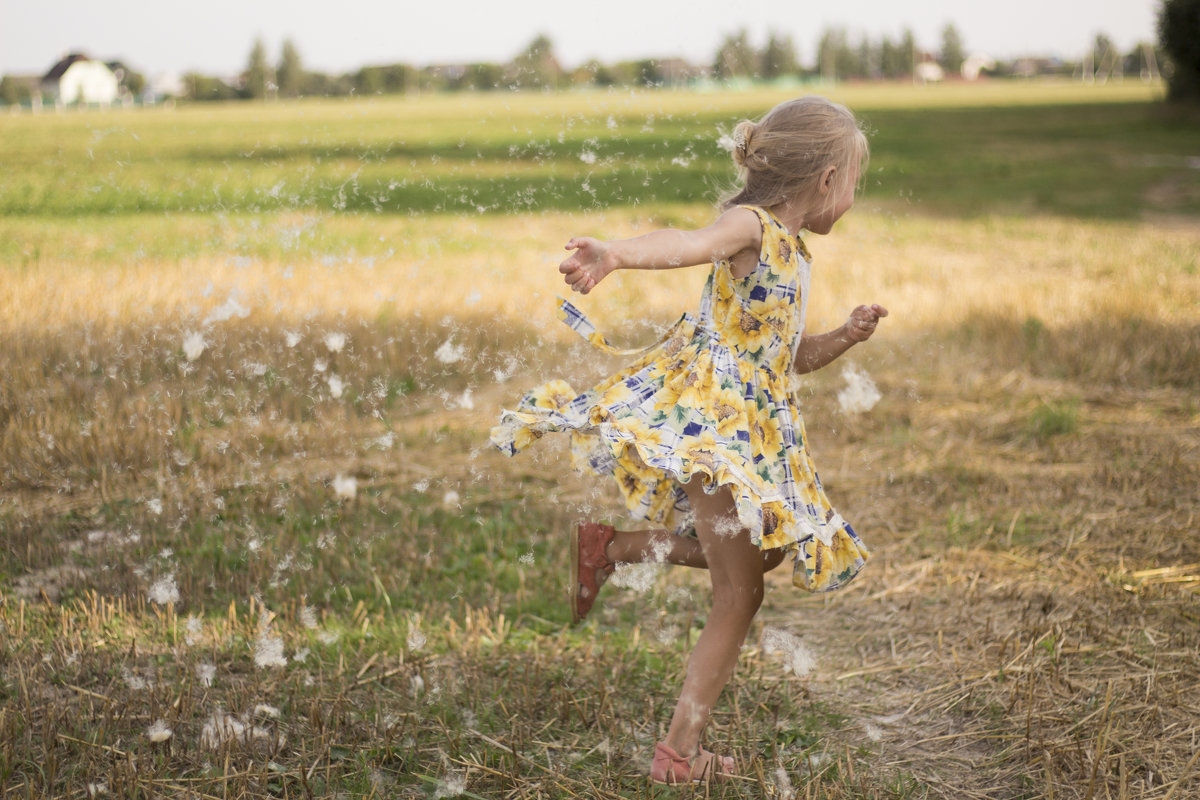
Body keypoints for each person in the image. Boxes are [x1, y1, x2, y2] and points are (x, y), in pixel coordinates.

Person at [490, 95, 887, 785]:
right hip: (716, 432)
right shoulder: (751, 227)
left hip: (752, 435)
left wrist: (843, 338)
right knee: (740, 591)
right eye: (852, 183)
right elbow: (685, 244)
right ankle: (677, 753)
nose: (851, 200)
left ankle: (609, 548)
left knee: (757, 565)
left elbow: (784, 357)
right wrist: (615, 254)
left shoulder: (792, 253)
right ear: (826, 179)